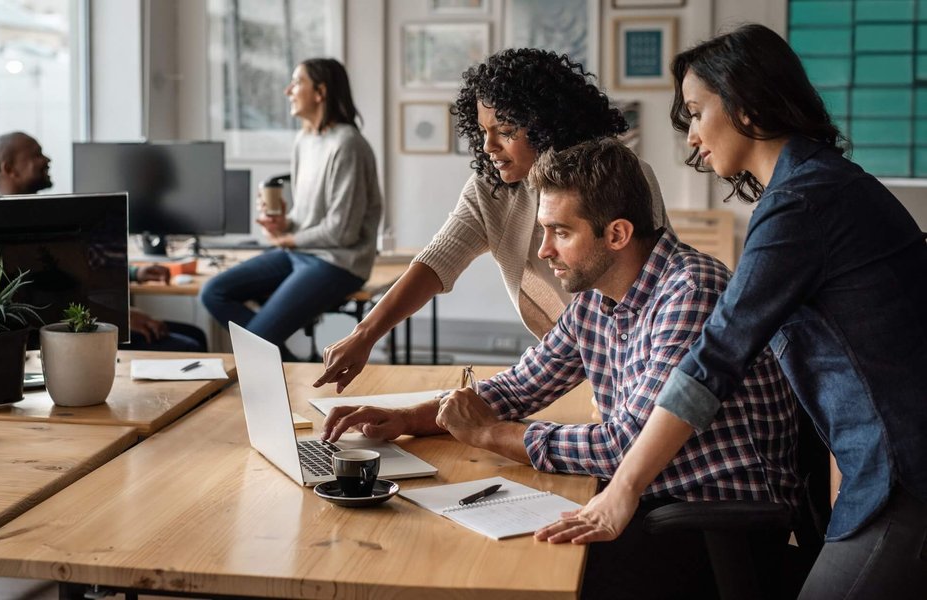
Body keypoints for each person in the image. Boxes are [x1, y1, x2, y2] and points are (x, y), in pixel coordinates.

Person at [539, 25, 927, 599]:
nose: (692, 137)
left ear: (744, 102)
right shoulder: (813, 186)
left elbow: (714, 359)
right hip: (886, 463)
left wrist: (622, 491)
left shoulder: (801, 202)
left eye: (696, 112)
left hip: (906, 469)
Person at [323, 138, 799, 599]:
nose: (545, 250)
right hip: (648, 503)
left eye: (560, 232)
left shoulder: (690, 291)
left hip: (712, 525)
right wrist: (412, 418)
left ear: (617, 234)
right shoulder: (598, 296)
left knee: (502, 574)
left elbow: (622, 446)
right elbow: (521, 386)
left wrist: (491, 436)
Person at [315, 48, 668, 392]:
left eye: (505, 130)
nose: (488, 146)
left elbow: (648, 289)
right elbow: (437, 261)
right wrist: (365, 335)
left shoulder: (618, 178)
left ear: (547, 124)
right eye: (483, 131)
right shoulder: (492, 188)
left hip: (636, 357)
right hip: (564, 359)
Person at [200, 58, 382, 361]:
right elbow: (307, 218)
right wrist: (284, 224)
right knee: (213, 292)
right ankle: (288, 365)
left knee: (256, 340)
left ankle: (275, 363)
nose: (288, 90)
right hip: (301, 254)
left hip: (338, 263)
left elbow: (342, 231)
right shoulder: (304, 141)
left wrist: (289, 239)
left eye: (297, 82)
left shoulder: (348, 144)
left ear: (320, 92)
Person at [0, 131, 207, 352]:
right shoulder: (5, 231)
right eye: (36, 155)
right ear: (9, 169)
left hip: (87, 318)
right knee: (190, 345)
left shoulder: (36, 218)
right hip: (66, 334)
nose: (47, 160)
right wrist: (118, 319)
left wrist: (134, 275)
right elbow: (46, 304)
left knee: (194, 334)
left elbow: (76, 272)